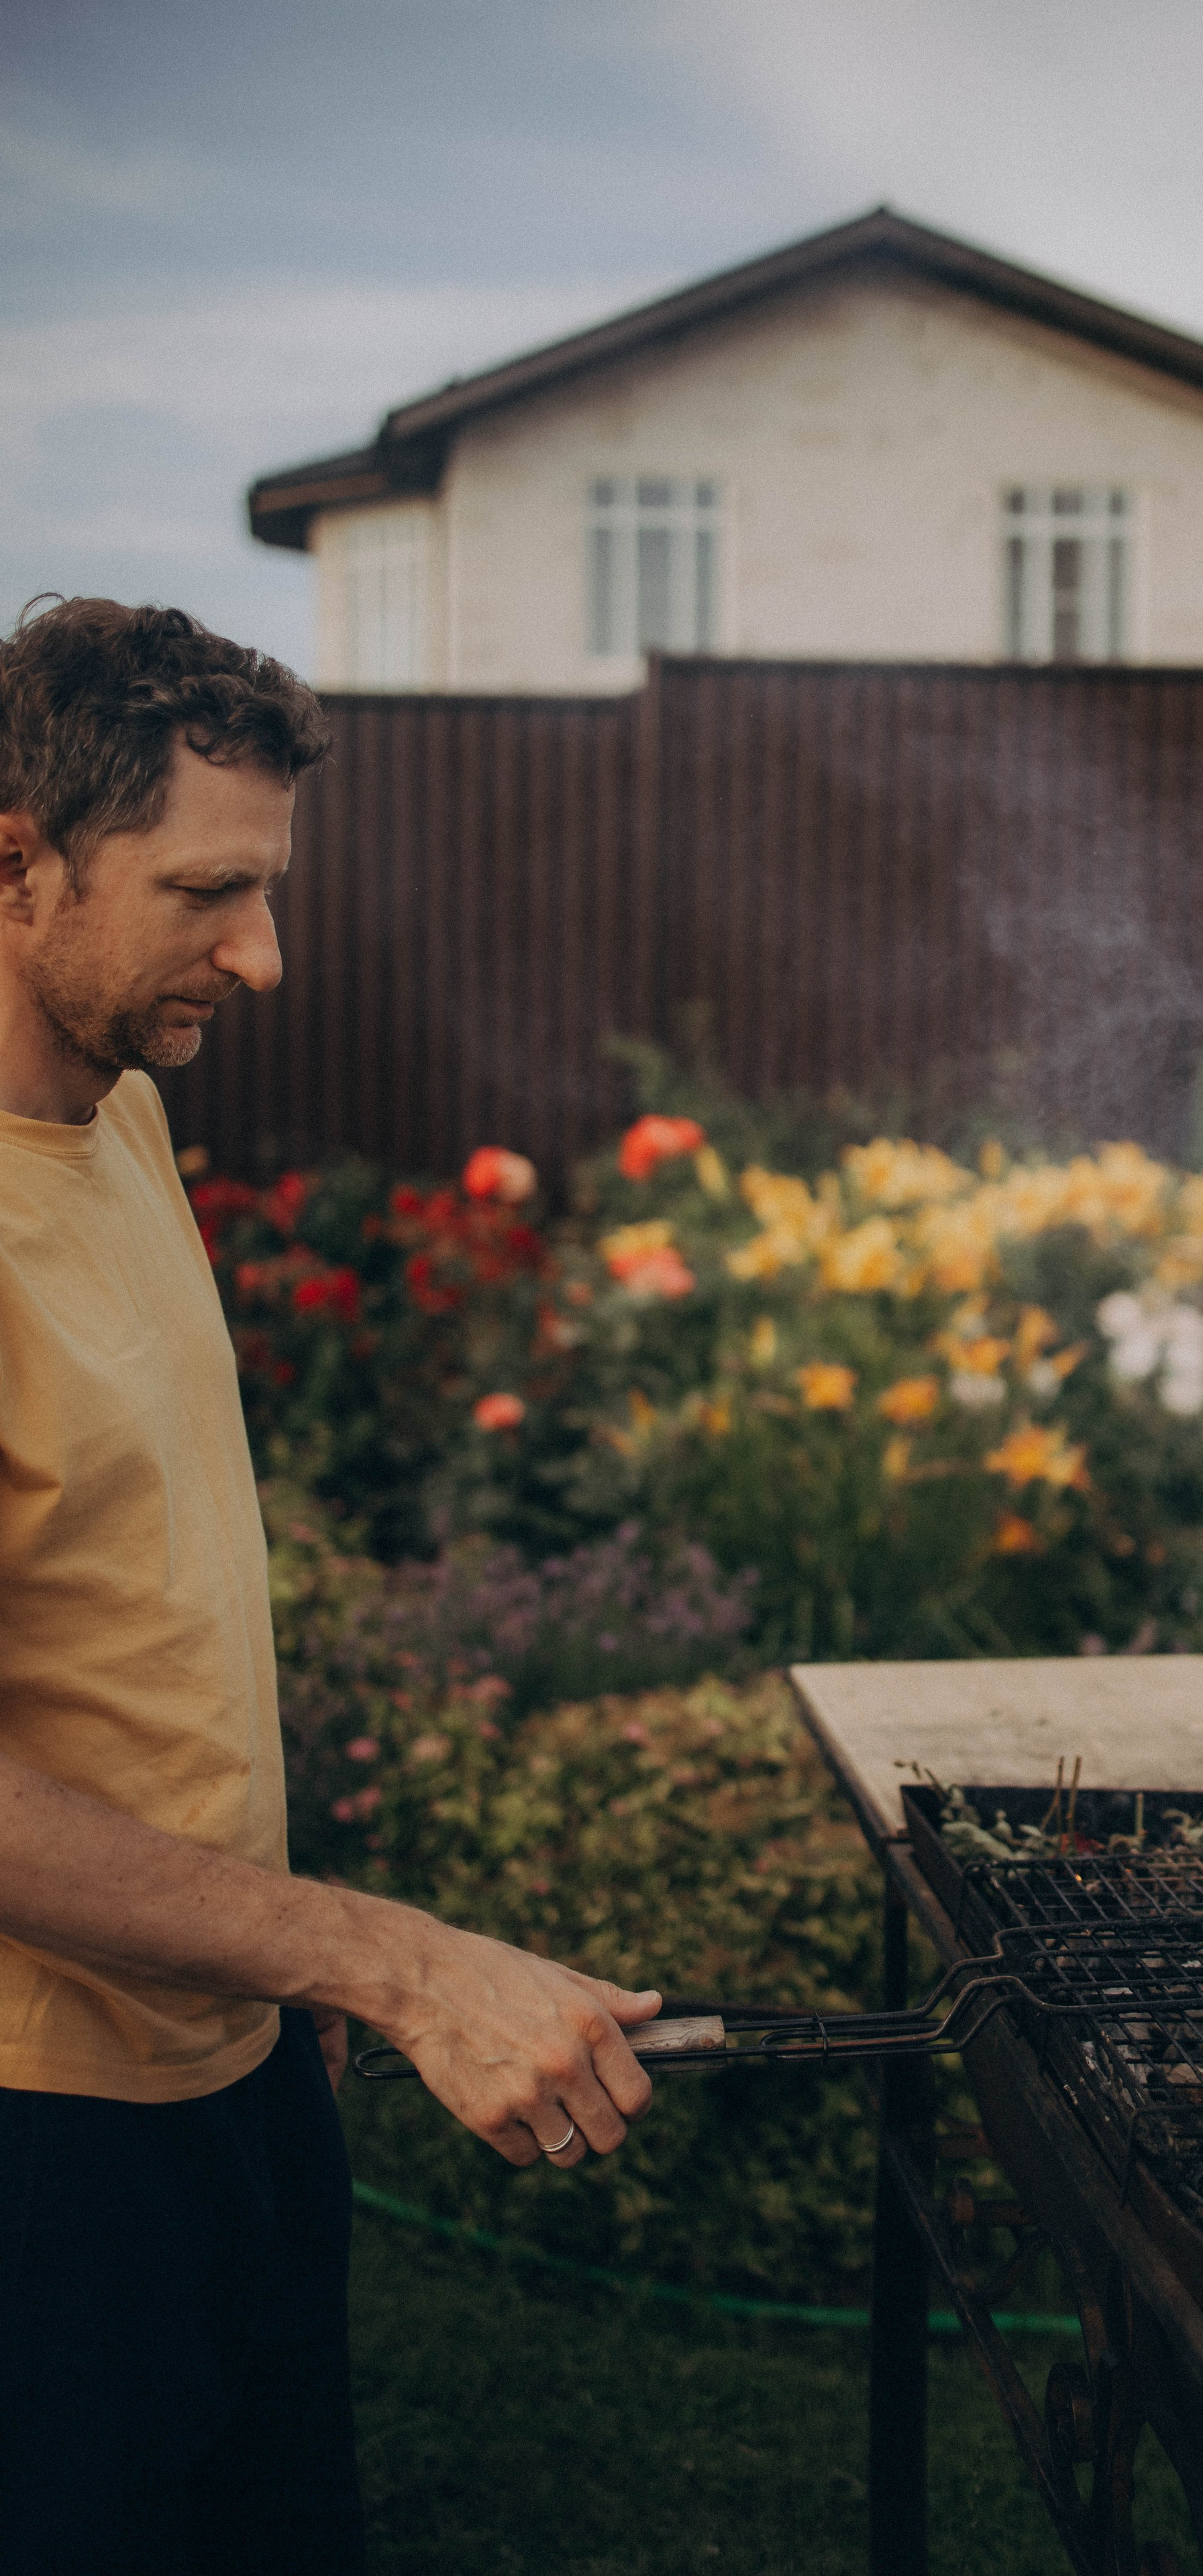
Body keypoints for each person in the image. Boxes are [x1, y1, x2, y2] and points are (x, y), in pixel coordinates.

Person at [0, 596, 662, 2574]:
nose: (264, 956)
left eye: (266, 886)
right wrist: (387, 1959)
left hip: (233, 2069)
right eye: (208, 890)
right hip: (40, 2142)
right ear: (13, 859)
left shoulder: (111, 1105)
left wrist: (280, 1963)